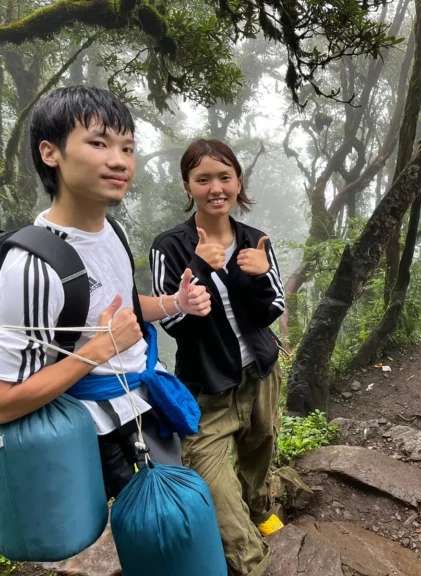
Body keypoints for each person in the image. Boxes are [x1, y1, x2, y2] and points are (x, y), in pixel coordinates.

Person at [0, 86, 212, 498]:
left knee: (173, 532)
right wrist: (98, 351)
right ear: (51, 153)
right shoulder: (31, 267)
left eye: (127, 148)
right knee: (149, 538)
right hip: (95, 435)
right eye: (98, 143)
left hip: (145, 406)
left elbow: (124, 311)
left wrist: (174, 303)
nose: (119, 161)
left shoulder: (112, 230)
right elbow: (4, 402)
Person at [150, 139, 285, 576]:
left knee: (260, 447)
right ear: (188, 185)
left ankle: (260, 504)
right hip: (207, 387)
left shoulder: (254, 240)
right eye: (202, 178)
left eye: (224, 176)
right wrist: (201, 268)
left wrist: (259, 277)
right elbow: (172, 324)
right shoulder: (170, 246)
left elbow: (272, 310)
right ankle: (252, 564)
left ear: (238, 182)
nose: (215, 187)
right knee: (214, 482)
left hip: (260, 374)